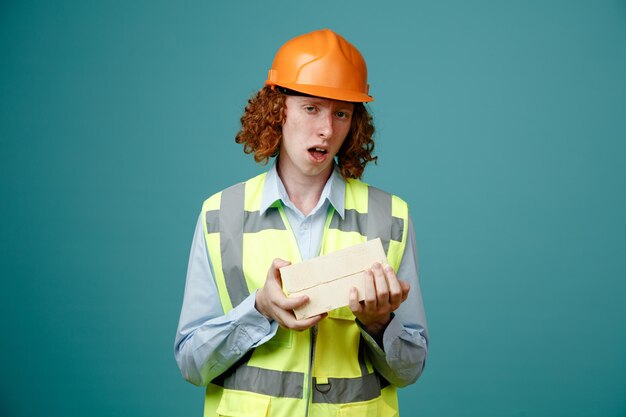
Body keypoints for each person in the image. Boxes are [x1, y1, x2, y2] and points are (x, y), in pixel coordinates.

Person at [174, 28, 428, 417]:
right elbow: (192, 364)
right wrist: (258, 309)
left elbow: (410, 371)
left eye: (341, 113)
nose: (327, 129)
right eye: (311, 107)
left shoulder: (390, 217)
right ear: (278, 111)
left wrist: (379, 324)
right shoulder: (219, 215)